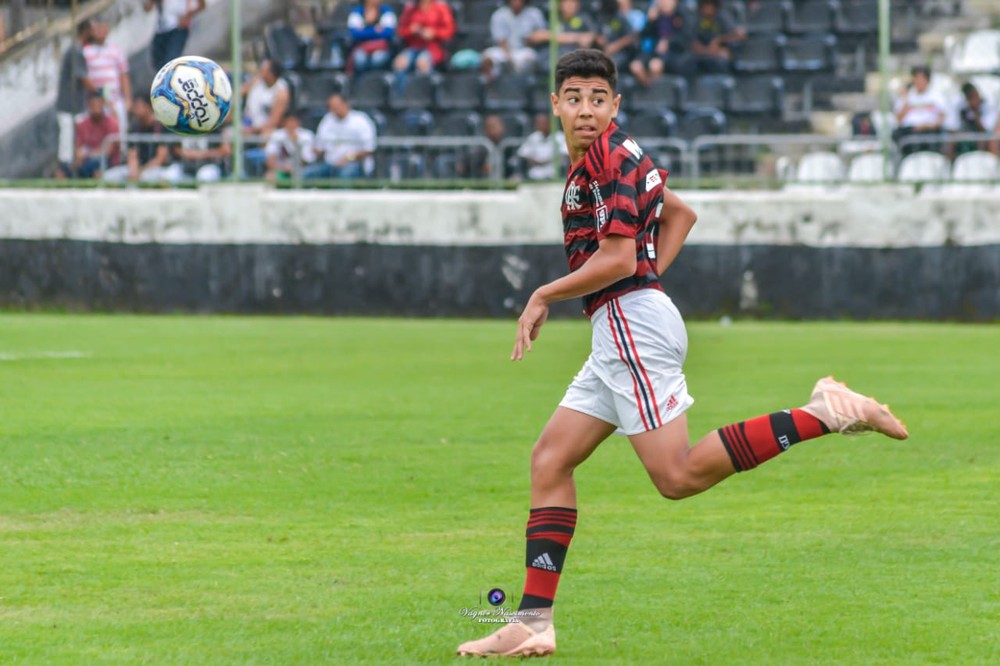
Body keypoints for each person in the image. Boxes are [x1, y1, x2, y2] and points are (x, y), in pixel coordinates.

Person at [455, 49, 909, 659]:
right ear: (556, 104)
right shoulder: (616, 155)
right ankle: (534, 621)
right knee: (550, 460)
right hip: (625, 322)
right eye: (574, 98)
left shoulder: (609, 158)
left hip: (630, 326)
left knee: (677, 475)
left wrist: (548, 294)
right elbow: (682, 214)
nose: (585, 109)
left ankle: (826, 412)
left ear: (614, 104)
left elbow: (617, 258)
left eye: (597, 98)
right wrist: (642, 279)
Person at [55, 19, 97, 179]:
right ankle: (64, 176)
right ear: (86, 31)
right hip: (69, 106)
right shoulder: (76, 51)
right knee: (67, 148)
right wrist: (99, 91)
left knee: (73, 144)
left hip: (73, 105)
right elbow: (83, 78)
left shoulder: (75, 49)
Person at [104, 94, 175, 183]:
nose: (136, 111)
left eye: (139, 107)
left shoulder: (161, 127)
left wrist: (142, 171)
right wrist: (134, 171)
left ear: (148, 107)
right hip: (138, 168)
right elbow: (132, 154)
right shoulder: (134, 127)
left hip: (157, 168)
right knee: (109, 176)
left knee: (148, 176)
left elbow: (160, 158)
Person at [304, 94, 377, 179]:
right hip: (330, 164)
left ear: (346, 105)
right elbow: (320, 147)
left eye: (336, 106)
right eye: (331, 107)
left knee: (344, 175)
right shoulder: (327, 120)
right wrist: (314, 150)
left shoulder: (360, 120)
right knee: (306, 174)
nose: (333, 110)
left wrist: (349, 158)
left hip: (354, 164)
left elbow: (369, 149)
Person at [83, 20, 132, 143]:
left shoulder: (115, 49)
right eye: (96, 29)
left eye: (102, 28)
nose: (99, 32)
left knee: (120, 130)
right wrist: (103, 98)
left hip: (115, 98)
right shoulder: (86, 51)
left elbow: (123, 75)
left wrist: (128, 99)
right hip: (96, 100)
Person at [242, 58, 292, 176]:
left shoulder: (281, 92)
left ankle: (263, 172)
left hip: (266, 129)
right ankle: (234, 171)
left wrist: (253, 130)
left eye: (263, 70)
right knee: (228, 134)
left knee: (266, 136)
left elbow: (274, 121)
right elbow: (238, 92)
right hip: (247, 124)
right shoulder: (256, 81)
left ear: (271, 74)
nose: (260, 72)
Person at [481, 0, 548, 81]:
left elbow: (542, 34)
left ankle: (528, 85)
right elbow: (501, 41)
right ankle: (490, 87)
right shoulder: (499, 15)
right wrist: (510, 58)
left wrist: (532, 39)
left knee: (530, 57)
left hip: (525, 50)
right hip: (504, 51)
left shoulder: (534, 13)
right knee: (487, 57)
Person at [630, 0, 693, 85]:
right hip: (655, 52)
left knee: (655, 66)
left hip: (675, 53)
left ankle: (658, 93)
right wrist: (650, 21)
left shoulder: (682, 15)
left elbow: (686, 37)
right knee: (636, 66)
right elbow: (643, 35)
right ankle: (648, 88)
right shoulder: (656, 15)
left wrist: (668, 42)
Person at [893, 65, 947, 155]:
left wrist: (927, 126)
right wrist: (905, 99)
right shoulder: (907, 96)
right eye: (916, 78)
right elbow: (899, 119)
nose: (919, 82)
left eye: (922, 78)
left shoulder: (936, 96)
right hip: (910, 131)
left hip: (930, 131)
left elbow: (942, 118)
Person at [393, 0, 455, 77]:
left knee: (422, 62)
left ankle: (424, 87)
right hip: (413, 47)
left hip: (433, 48)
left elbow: (450, 30)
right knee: (400, 63)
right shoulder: (410, 8)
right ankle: (402, 88)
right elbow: (400, 31)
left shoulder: (440, 7)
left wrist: (434, 33)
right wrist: (411, 30)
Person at [68, 92, 121, 179]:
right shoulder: (82, 124)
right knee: (65, 169)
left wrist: (88, 154)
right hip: (84, 160)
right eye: (93, 105)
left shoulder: (112, 124)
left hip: (107, 161)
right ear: (88, 106)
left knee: (93, 166)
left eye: (98, 105)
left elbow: (108, 150)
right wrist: (80, 156)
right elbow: (77, 148)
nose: (96, 109)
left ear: (103, 104)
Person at [143, 0, 206, 70]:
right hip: (160, 30)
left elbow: (202, 5)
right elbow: (147, 9)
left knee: (171, 61)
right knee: (158, 64)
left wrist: (188, 15)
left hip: (177, 27)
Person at [689, 0, 743, 74]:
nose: (707, 8)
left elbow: (739, 34)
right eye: (705, 5)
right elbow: (693, 44)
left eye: (710, 5)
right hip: (702, 56)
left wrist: (719, 40)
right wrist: (710, 51)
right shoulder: (695, 19)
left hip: (722, 55)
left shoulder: (722, 16)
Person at [346, 0, 397, 76]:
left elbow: (388, 33)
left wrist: (364, 30)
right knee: (360, 59)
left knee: (378, 59)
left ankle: (376, 82)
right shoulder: (357, 12)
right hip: (362, 47)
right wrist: (375, 30)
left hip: (381, 47)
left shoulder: (387, 11)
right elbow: (355, 34)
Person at [265, 111, 318, 181]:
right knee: (270, 176)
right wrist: (283, 168)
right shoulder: (277, 135)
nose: (291, 125)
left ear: (298, 122)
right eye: (289, 122)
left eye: (293, 122)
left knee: (307, 173)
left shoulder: (306, 136)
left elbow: (307, 159)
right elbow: (270, 160)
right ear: (284, 123)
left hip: (303, 170)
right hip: (282, 169)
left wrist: (295, 142)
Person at [953, 82, 997, 155]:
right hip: (966, 135)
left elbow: (985, 129)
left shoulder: (987, 106)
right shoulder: (962, 108)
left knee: (983, 141)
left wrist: (975, 112)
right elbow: (956, 126)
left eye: (973, 96)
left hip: (983, 136)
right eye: (969, 97)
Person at [596, 0, 638, 74]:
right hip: (603, 50)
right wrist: (599, 39)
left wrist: (615, 46)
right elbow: (596, 33)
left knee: (610, 65)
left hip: (621, 52)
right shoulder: (601, 16)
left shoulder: (620, 17)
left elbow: (631, 37)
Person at [516, 113, 557, 180]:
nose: (540, 125)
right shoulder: (533, 137)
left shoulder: (558, 137)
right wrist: (535, 161)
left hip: (554, 174)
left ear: (549, 124)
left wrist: (549, 161)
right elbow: (522, 155)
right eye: (538, 123)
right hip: (534, 174)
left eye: (543, 123)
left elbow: (565, 155)